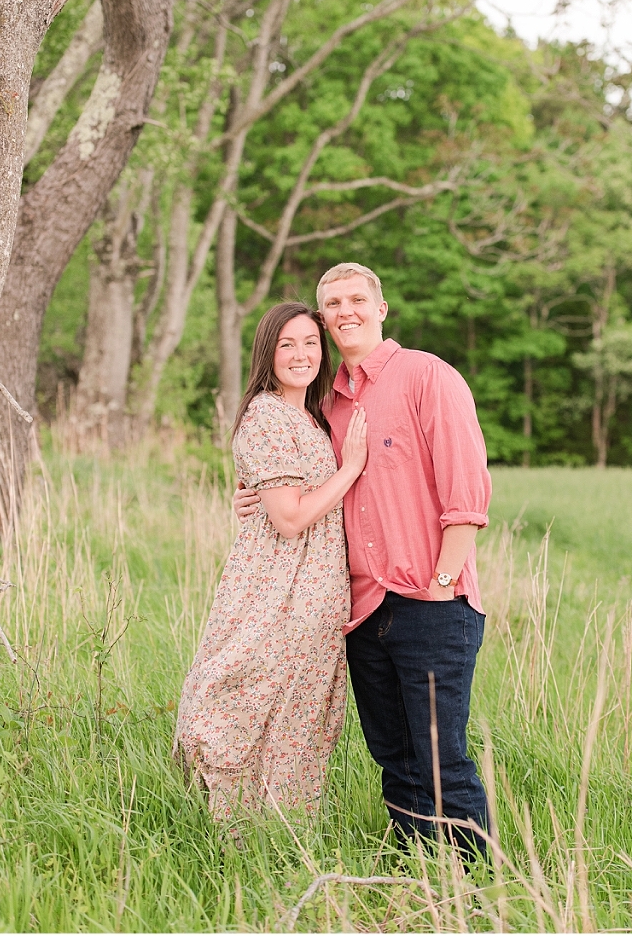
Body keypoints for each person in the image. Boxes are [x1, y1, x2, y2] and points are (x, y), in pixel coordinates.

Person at [234, 264, 492, 856]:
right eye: (333, 303)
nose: (344, 310)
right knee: (394, 758)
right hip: (361, 609)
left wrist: (443, 582)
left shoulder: (427, 376)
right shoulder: (326, 404)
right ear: (324, 319)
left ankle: (477, 890)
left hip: (432, 601)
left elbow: (467, 494)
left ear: (381, 307)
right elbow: (295, 486)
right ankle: (416, 873)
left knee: (440, 758)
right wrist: (252, 492)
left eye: (356, 299)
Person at [174, 302, 367, 824]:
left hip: (316, 586)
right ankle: (229, 819)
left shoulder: (313, 414)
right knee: (247, 686)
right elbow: (288, 518)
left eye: (310, 342)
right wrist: (350, 468)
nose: (301, 354)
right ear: (268, 352)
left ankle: (281, 828)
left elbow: (282, 495)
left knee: (297, 712)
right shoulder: (266, 415)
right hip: (280, 586)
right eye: (287, 344)